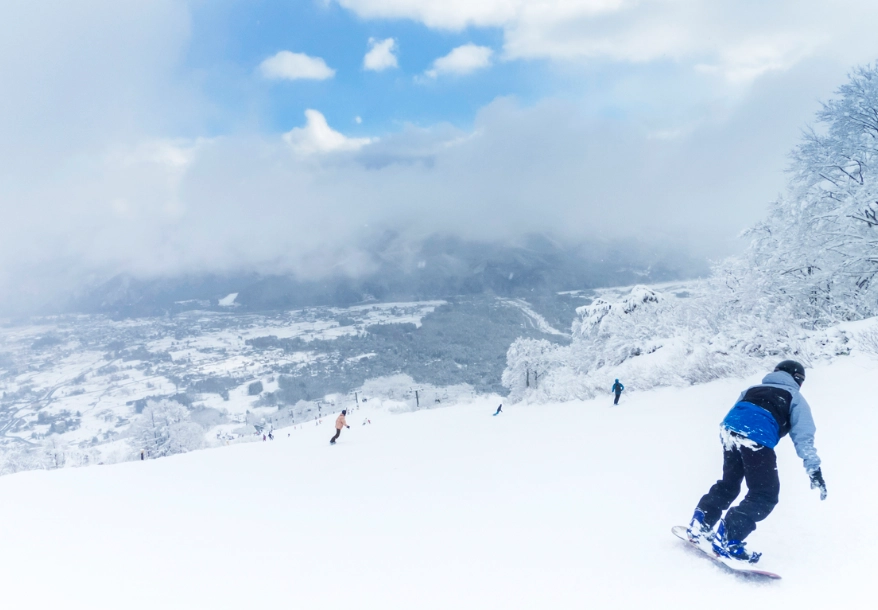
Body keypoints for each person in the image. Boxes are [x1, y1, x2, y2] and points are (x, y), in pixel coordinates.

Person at [685, 360, 826, 563]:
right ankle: (729, 539)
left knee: (729, 483)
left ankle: (701, 523)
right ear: (798, 380)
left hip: (729, 431)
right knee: (764, 494)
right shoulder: (795, 397)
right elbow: (804, 436)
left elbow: (737, 412)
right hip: (756, 436)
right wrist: (814, 470)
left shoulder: (753, 389)